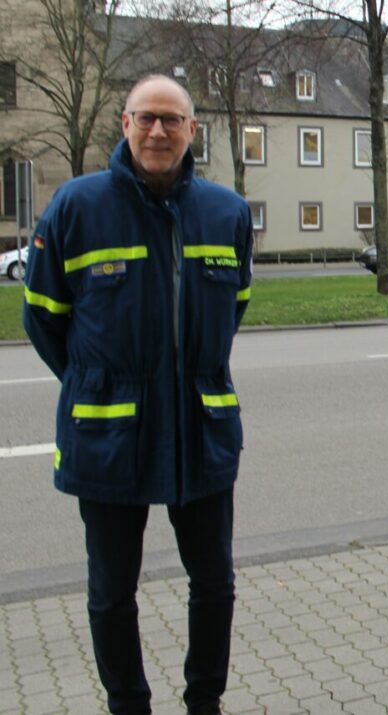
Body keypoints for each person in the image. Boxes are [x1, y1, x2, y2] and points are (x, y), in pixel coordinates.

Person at [23, 74, 253, 715]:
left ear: (191, 131)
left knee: (215, 584)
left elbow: (233, 307)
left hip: (201, 427)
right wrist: (97, 377)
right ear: (124, 124)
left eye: (171, 120)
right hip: (108, 431)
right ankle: (129, 704)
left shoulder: (226, 213)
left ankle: (204, 700)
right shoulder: (75, 206)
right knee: (110, 591)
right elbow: (44, 316)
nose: (158, 131)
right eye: (146, 118)